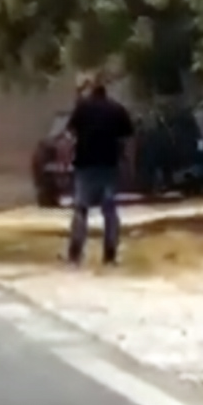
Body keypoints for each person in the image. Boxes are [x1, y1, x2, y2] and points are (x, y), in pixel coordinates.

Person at [64, 80, 136, 266]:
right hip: (109, 166)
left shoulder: (82, 109)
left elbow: (69, 136)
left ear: (91, 92)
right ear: (106, 92)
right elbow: (128, 140)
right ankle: (110, 254)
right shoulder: (117, 110)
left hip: (85, 165)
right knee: (109, 210)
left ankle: (75, 253)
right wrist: (128, 163)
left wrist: (68, 159)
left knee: (81, 209)